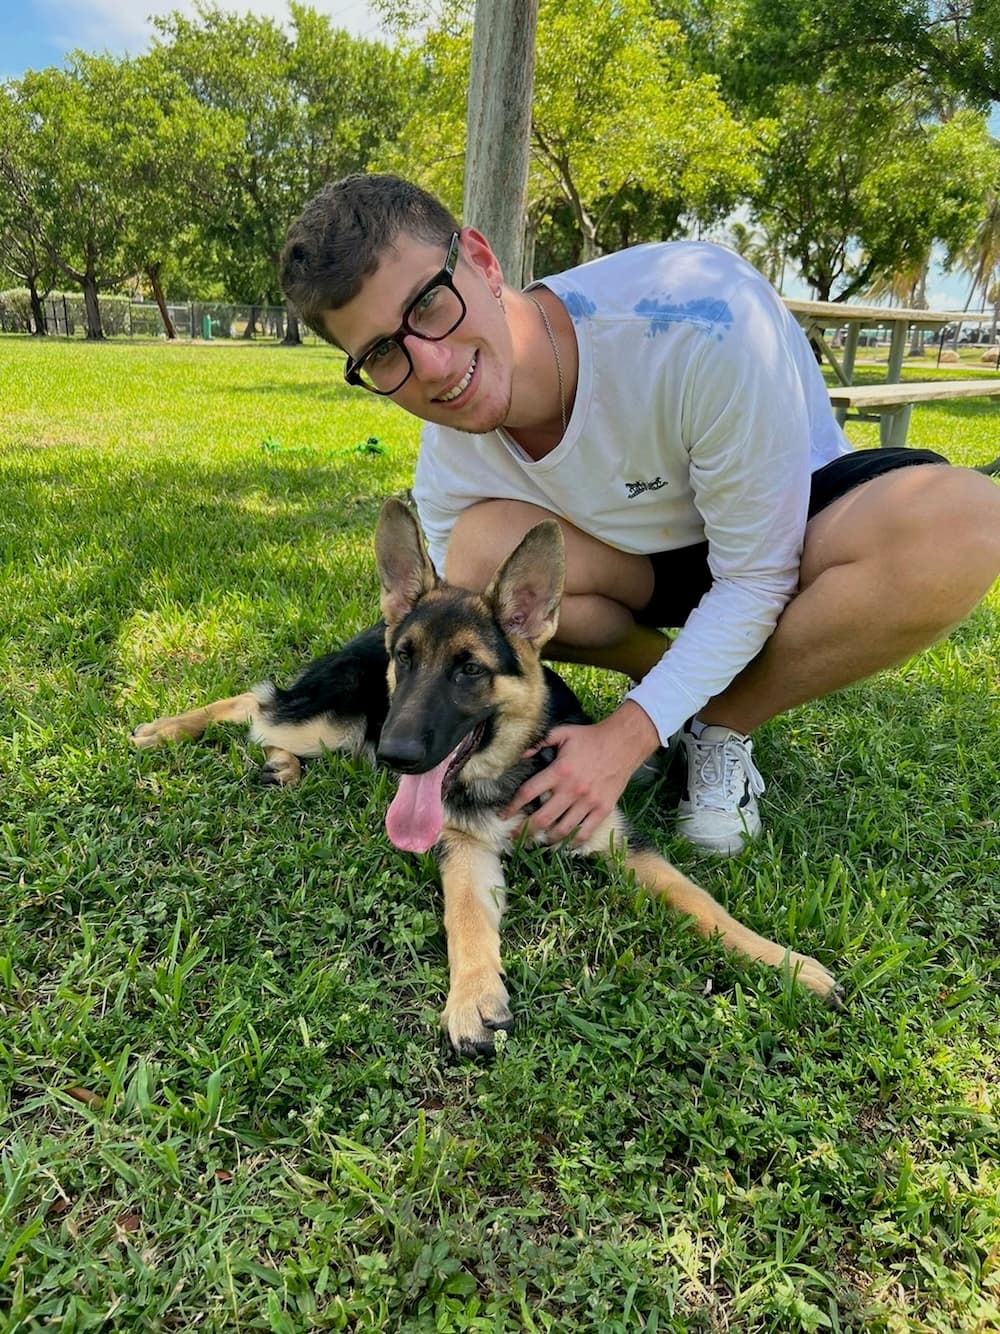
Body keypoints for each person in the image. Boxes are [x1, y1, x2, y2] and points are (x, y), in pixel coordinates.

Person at [280, 173, 1000, 855]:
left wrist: (626, 736)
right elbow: (495, 650)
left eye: (429, 304)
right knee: (476, 568)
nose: (431, 367)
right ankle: (676, 690)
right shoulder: (450, 458)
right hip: (640, 566)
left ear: (480, 260)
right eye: (382, 353)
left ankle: (719, 723)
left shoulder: (698, 316)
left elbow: (754, 578)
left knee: (968, 519)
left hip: (788, 525)